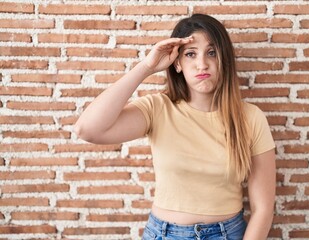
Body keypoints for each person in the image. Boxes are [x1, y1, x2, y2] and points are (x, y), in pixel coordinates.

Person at [74, 14, 276, 240]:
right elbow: (87, 129)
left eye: (211, 52)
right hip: (164, 234)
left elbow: (263, 208)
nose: (202, 64)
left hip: (227, 234)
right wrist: (147, 66)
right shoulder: (158, 108)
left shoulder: (250, 118)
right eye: (191, 54)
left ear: (224, 59)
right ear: (177, 63)